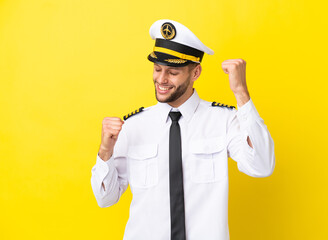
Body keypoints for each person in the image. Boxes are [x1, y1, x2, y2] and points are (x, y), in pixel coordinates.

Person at [90, 19, 275, 240]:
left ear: (195, 73)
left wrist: (241, 93)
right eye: (157, 69)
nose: (161, 79)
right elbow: (106, 198)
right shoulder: (133, 126)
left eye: (172, 72)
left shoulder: (223, 121)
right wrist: (105, 152)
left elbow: (262, 166)